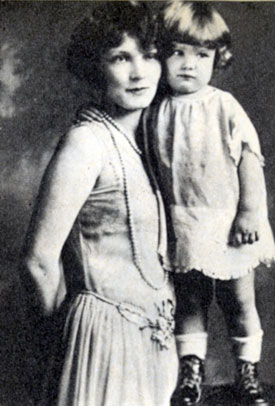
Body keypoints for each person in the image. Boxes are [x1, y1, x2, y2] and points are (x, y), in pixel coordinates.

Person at [19, 2, 178, 405]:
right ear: (96, 67)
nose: (139, 72)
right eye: (121, 58)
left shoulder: (145, 143)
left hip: (152, 341)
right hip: (102, 344)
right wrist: (73, 336)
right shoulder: (87, 142)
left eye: (149, 55)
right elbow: (38, 260)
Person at [145, 2, 275, 405]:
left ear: (217, 59)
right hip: (184, 225)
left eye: (202, 55)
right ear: (160, 54)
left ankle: (247, 373)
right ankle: (191, 376)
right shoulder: (155, 109)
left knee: (238, 301)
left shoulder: (223, 106)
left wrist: (251, 212)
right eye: (178, 52)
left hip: (230, 223)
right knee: (190, 302)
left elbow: (249, 157)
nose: (189, 64)